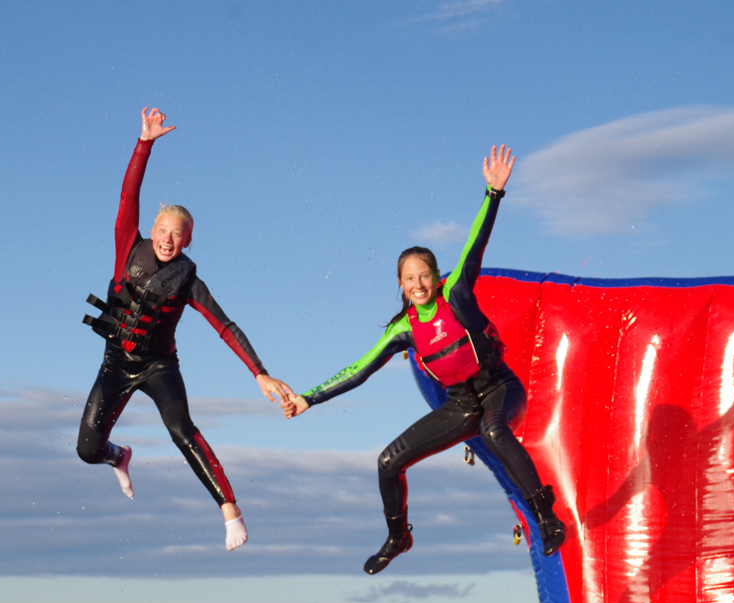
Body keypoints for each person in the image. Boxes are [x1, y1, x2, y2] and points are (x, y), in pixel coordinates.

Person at [283, 145, 566, 573]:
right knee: (387, 462)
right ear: (400, 284)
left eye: (424, 276)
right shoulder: (404, 330)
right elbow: (358, 370)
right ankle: (399, 537)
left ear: (436, 276)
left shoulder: (457, 295)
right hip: (460, 404)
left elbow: (475, 244)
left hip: (499, 388)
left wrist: (493, 194)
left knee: (493, 431)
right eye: (409, 279)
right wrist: (309, 398)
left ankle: (545, 516)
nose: (418, 284)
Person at [78, 107, 293, 551]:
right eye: (162, 230)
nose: (166, 239)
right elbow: (128, 195)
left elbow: (224, 325)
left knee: (181, 429)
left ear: (188, 240)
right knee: (86, 450)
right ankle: (120, 456)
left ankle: (230, 510)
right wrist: (144, 144)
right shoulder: (128, 246)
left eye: (177, 234)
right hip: (116, 362)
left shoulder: (190, 281)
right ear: (151, 230)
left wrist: (260, 372)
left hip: (159, 366)